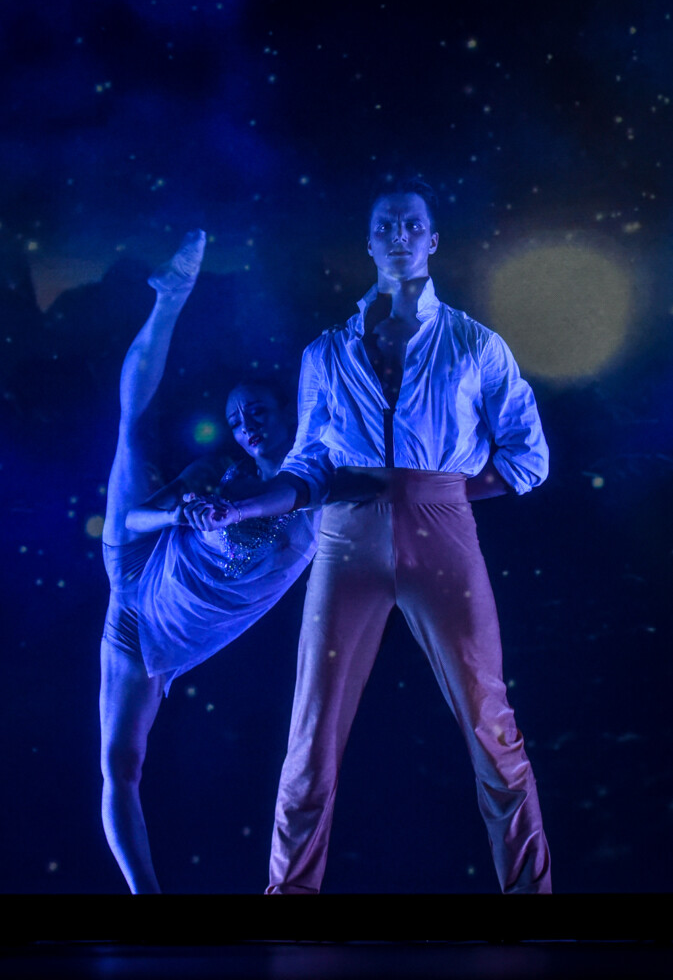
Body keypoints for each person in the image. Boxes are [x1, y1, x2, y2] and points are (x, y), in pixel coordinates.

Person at [201, 177, 552, 895]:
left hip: (441, 531)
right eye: (385, 226)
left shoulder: (475, 344)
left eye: (411, 225)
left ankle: (530, 896)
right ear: (367, 242)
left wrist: (436, 493)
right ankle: (289, 899)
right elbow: (307, 465)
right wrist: (240, 510)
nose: (399, 236)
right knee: (311, 729)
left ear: (432, 239)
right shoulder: (326, 353)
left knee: (491, 722)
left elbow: (528, 457)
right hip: (346, 538)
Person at [99, 229, 318, 894]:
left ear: (286, 412)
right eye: (236, 417)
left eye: (257, 411)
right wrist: (184, 511)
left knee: (124, 765)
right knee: (131, 433)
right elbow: (130, 522)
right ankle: (169, 299)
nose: (246, 424)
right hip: (136, 569)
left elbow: (316, 494)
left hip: (155, 639)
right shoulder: (220, 469)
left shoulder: (314, 488)